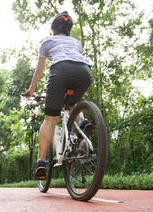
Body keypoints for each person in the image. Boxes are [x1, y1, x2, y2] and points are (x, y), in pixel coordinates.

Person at [24, 11, 93, 179]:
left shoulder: (47, 42)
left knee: (50, 119)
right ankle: (82, 122)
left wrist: (31, 90)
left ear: (53, 29)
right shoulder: (76, 43)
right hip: (84, 72)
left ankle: (41, 161)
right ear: (69, 31)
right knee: (71, 104)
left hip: (60, 70)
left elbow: (40, 69)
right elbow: (76, 60)